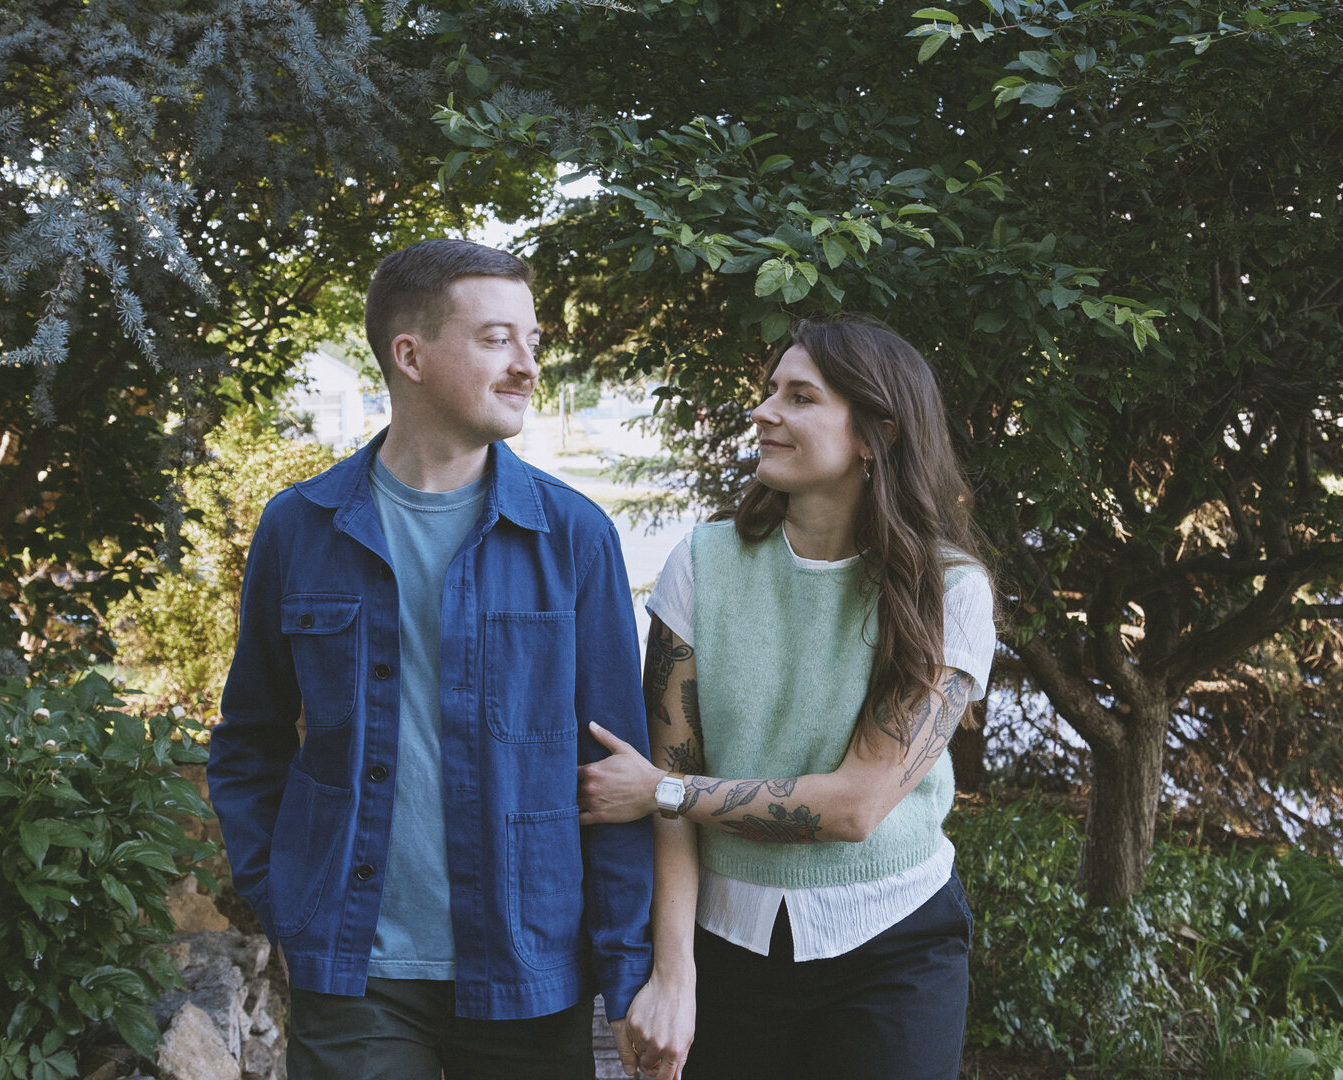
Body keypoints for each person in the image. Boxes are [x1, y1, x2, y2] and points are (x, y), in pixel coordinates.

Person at [208, 238, 652, 1080]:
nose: (526, 365)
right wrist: (283, 896)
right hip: (353, 967)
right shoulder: (299, 528)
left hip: (528, 971)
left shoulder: (572, 536)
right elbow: (249, 740)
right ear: (408, 355)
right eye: (495, 339)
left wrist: (628, 974)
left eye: (531, 340)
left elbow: (614, 771)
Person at [578, 314, 996, 1080]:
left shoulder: (950, 590)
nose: (764, 411)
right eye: (770, 390)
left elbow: (853, 807)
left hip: (893, 945)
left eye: (799, 396)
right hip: (724, 943)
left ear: (873, 434)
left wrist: (665, 791)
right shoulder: (701, 563)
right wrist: (673, 973)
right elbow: (669, 799)